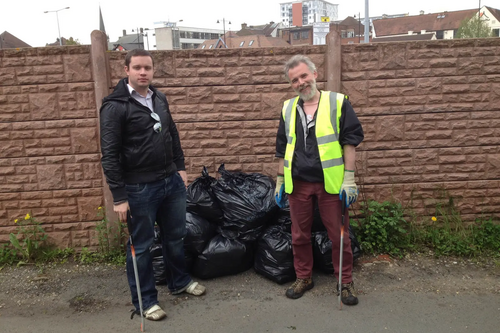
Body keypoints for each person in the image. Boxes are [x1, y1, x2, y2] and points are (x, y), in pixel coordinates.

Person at [100, 49, 206, 321]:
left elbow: (171, 132)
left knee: (175, 236)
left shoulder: (159, 97)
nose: (143, 72)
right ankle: (146, 301)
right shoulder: (115, 106)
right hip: (138, 188)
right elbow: (109, 155)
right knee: (142, 246)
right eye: (137, 67)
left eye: (147, 67)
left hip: (170, 181)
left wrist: (180, 167)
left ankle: (179, 282)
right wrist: (119, 196)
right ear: (126, 70)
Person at [274, 55, 364, 305]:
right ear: (291, 84)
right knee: (299, 235)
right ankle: (304, 276)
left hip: (331, 184)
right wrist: (280, 180)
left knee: (339, 235)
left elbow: (350, 142)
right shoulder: (288, 108)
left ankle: (345, 282)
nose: (301, 82)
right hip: (298, 183)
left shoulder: (337, 102)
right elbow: (282, 147)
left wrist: (349, 178)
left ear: (314, 73)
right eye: (295, 80)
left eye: (304, 76)